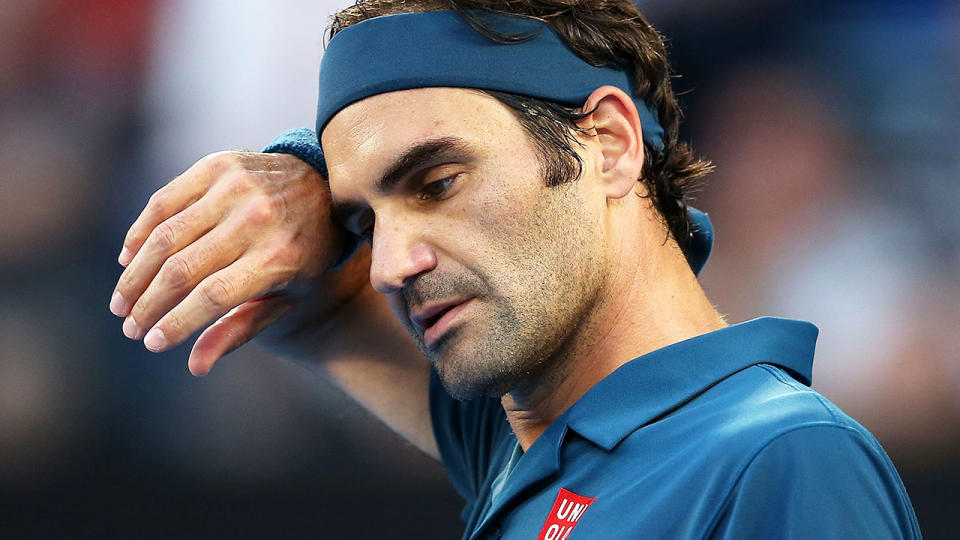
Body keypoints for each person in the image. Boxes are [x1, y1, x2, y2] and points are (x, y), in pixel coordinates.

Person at [108, 1, 922, 538]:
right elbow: (313, 293)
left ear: (607, 143)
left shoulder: (784, 459)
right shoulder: (525, 445)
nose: (389, 264)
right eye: (364, 221)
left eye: (437, 183)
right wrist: (298, 167)